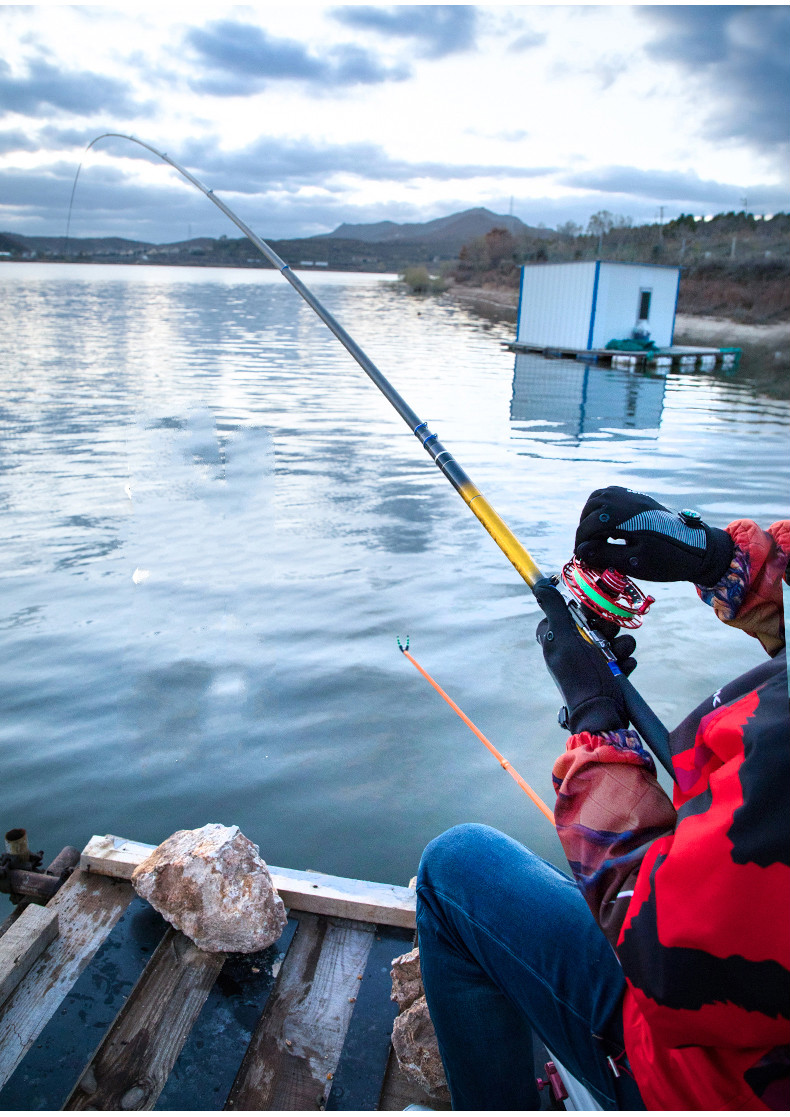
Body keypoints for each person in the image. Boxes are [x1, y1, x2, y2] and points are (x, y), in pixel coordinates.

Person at [416, 487, 789, 1110]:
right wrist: (728, 561)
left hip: (704, 1080)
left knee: (456, 867)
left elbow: (664, 946)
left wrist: (598, 727)